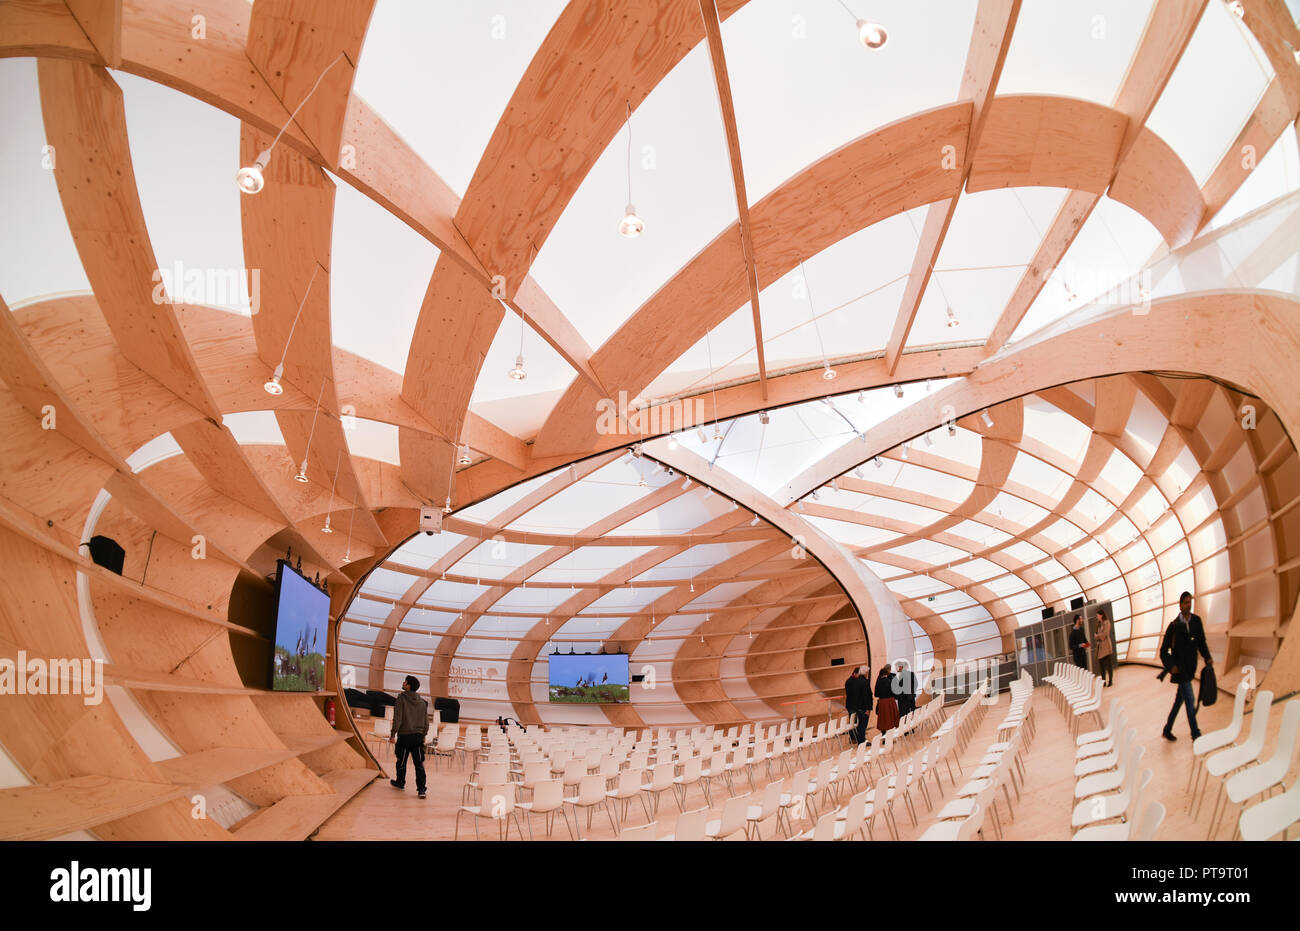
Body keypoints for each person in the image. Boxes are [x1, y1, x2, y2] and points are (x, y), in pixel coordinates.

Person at [1159, 592, 1212, 742]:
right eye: (1186, 603)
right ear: (1180, 605)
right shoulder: (1173, 627)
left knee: (1179, 701)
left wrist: (1207, 657)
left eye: (1190, 602)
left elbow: (1201, 642)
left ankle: (1167, 729)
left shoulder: (1196, 621)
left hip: (1191, 669)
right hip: (1180, 671)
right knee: (1190, 699)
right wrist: (1171, 666)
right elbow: (1163, 651)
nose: (1189, 605)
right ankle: (1195, 734)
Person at [389, 675, 429, 799]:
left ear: (409, 685)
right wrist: (423, 735)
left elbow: (398, 719)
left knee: (401, 761)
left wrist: (392, 734)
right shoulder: (422, 702)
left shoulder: (401, 698)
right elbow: (426, 723)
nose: (403, 683)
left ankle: (400, 782)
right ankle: (421, 789)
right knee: (419, 764)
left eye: (405, 682)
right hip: (417, 737)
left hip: (404, 736)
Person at [843, 667, 872, 743]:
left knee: (857, 722)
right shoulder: (849, 681)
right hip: (852, 705)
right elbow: (851, 694)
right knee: (853, 722)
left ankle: (858, 737)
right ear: (855, 673)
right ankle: (854, 738)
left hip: (856, 704)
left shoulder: (856, 681)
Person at [874, 665, 899, 733]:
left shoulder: (878, 683)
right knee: (891, 719)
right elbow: (895, 692)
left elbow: (876, 694)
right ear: (886, 674)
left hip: (882, 702)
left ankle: (883, 735)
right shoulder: (890, 681)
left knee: (883, 719)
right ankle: (891, 735)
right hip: (890, 701)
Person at [1094, 608, 1115, 687]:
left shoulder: (1107, 622)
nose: (1097, 617)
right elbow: (1096, 636)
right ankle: (1103, 681)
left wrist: (1098, 636)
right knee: (1101, 666)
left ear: (1101, 615)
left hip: (1106, 646)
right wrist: (1098, 636)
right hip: (1100, 648)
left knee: (1109, 665)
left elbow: (1105, 633)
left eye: (1098, 615)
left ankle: (1110, 680)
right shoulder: (1098, 624)